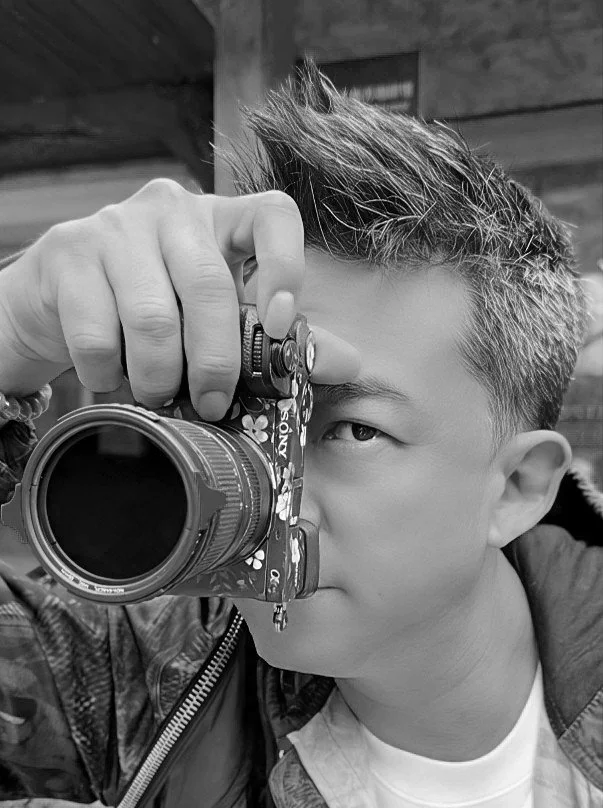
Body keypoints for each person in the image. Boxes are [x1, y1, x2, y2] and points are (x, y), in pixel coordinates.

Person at [0, 64, 601, 808]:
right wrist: (12, 328)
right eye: (245, 420)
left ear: (515, 488)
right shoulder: (143, 672)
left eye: (352, 429)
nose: (271, 501)